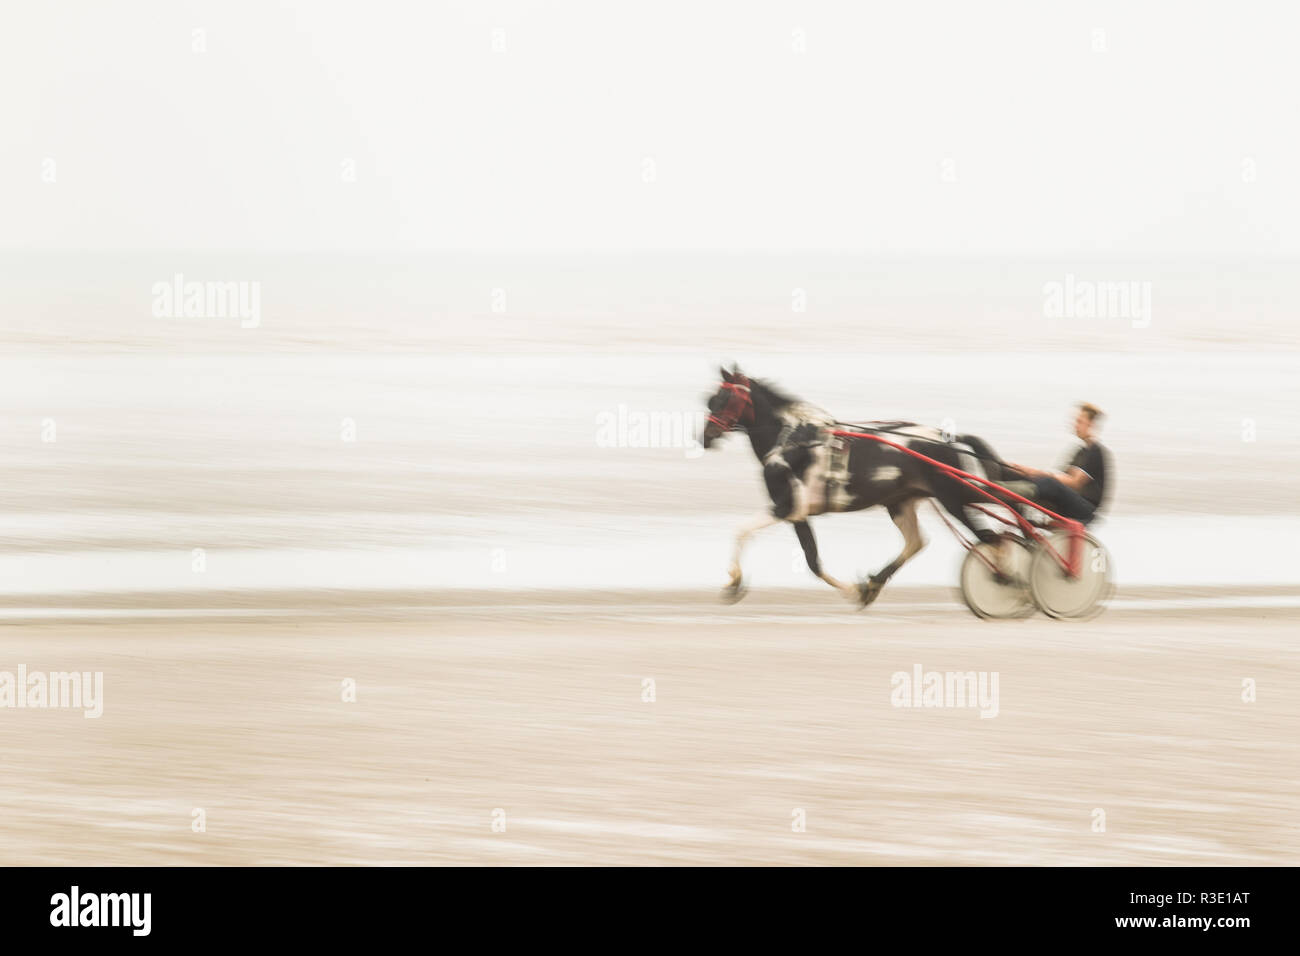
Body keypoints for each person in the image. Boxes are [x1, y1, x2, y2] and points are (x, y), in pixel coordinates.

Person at [1006, 403, 1110, 524]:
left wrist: (1039, 474)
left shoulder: (1095, 450)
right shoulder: (1080, 451)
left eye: (1079, 422)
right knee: (1024, 475)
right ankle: (1009, 491)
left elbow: (1075, 483)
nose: (1074, 425)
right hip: (1072, 500)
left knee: (1049, 482)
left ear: (1091, 424)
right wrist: (1028, 473)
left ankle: (1009, 491)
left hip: (1085, 508)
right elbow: (1064, 478)